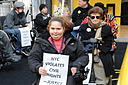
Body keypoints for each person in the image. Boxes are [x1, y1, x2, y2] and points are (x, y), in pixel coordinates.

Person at [28, 16, 89, 85]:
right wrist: (38, 67)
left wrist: (76, 65)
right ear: (49, 29)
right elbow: (32, 58)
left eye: (58, 29)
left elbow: (84, 56)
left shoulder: (74, 41)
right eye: (52, 29)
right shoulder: (40, 42)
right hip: (47, 75)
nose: (55, 32)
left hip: (69, 75)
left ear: (64, 29)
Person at [78, 7, 114, 84]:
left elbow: (109, 42)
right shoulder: (83, 27)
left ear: (101, 17)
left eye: (97, 17)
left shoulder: (106, 28)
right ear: (89, 17)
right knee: (84, 77)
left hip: (100, 54)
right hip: (86, 54)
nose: (95, 19)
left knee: (102, 78)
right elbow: (80, 41)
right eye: (92, 17)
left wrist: (99, 50)